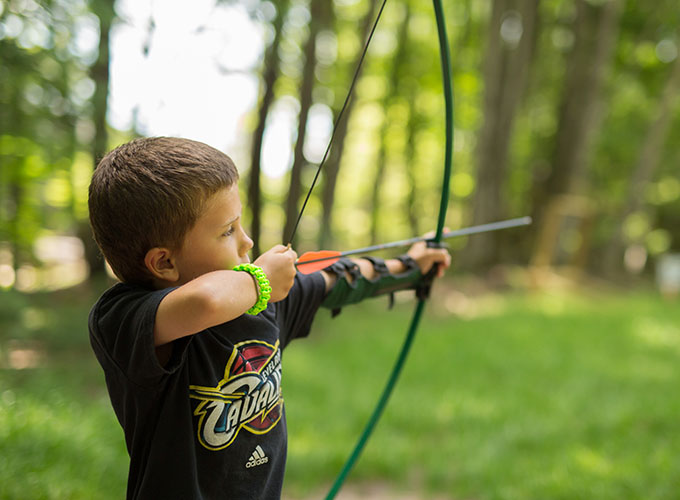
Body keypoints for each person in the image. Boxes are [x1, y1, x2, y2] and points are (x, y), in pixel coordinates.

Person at [87, 136, 450, 500]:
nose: (247, 241)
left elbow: (338, 278)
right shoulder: (124, 319)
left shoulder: (262, 306)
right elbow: (205, 301)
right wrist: (261, 281)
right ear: (164, 263)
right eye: (227, 231)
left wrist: (409, 266)